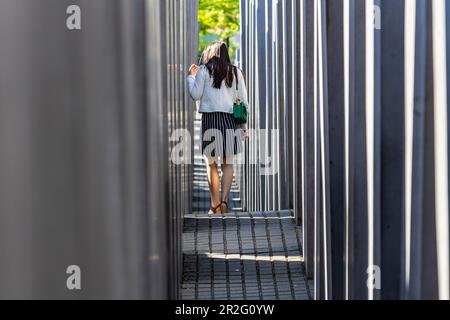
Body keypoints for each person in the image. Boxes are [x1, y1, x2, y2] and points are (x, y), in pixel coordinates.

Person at [187, 41, 248, 215]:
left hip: (210, 119)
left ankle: (214, 206)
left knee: (211, 164)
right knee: (227, 163)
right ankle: (224, 201)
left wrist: (191, 77)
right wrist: (243, 126)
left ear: (210, 53)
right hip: (230, 120)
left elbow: (195, 95)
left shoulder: (204, 71)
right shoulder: (235, 72)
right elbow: (243, 100)